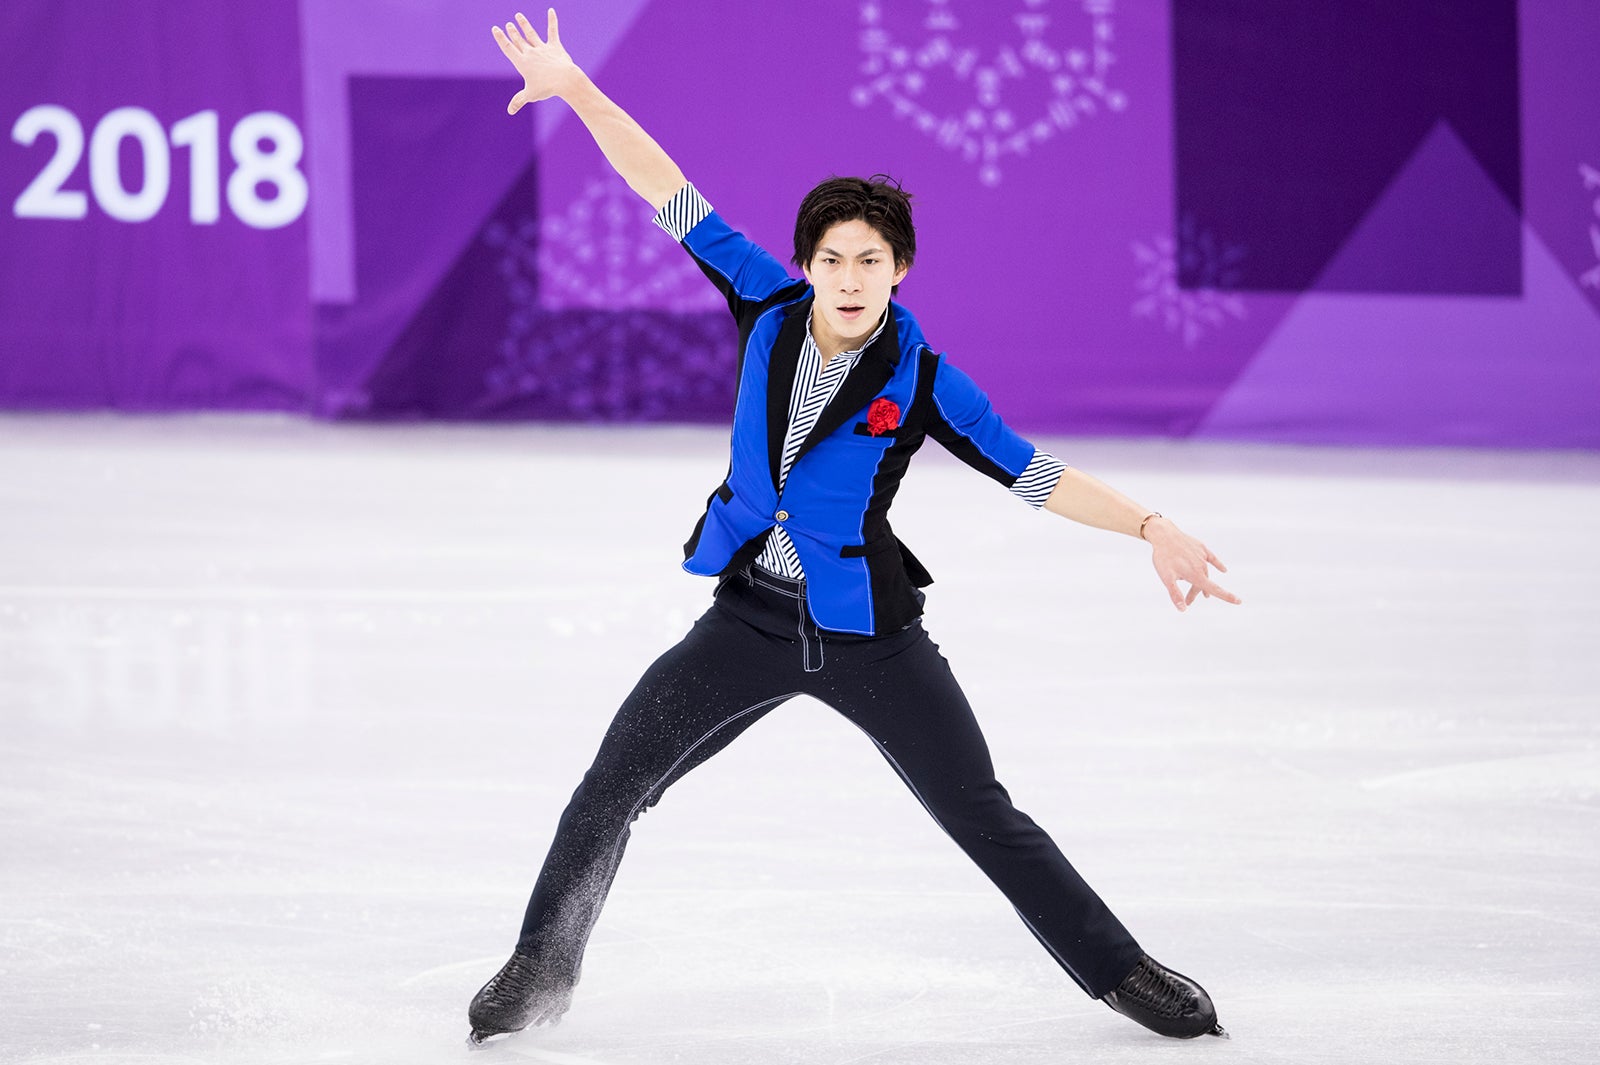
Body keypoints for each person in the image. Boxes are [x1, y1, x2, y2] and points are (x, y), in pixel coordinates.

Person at [471, 9, 1239, 1046]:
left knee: (983, 815)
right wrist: (577, 90)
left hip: (871, 634)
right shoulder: (765, 303)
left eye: (868, 260)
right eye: (832, 258)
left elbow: (1031, 473)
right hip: (748, 618)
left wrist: (1150, 524)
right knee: (609, 789)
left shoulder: (926, 380)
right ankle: (538, 966)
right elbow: (665, 186)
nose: (847, 277)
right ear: (805, 263)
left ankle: (1124, 972)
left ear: (899, 270)